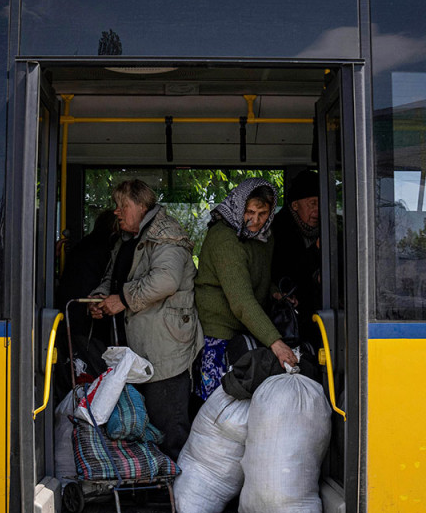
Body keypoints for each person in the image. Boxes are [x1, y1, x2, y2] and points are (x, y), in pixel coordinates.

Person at [89, 179, 201, 460]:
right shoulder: (128, 238)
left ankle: (178, 496)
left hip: (166, 348)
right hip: (137, 349)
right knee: (141, 426)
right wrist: (99, 299)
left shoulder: (166, 233)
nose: (116, 211)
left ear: (141, 205)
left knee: (169, 427)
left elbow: (165, 281)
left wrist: (122, 300)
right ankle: (153, 491)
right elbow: (112, 278)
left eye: (122, 205)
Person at [193, 178, 299, 401]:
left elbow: (251, 277)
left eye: (263, 214)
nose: (255, 221)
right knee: (217, 403)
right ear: (239, 206)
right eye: (249, 212)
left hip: (246, 328)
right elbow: (241, 299)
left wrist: (274, 292)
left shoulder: (263, 237)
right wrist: (276, 343)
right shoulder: (225, 238)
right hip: (219, 332)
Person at [271, 169, 322, 341]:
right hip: (291, 315)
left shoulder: (327, 228)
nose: (317, 210)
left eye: (320, 203)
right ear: (295, 205)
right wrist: (315, 251)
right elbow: (287, 271)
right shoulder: (279, 230)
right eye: (312, 204)